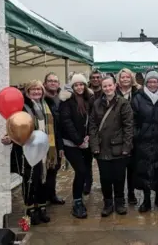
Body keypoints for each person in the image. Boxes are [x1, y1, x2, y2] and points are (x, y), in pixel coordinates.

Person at [2, 80, 62, 225]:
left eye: (39, 90)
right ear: (27, 92)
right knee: (30, 180)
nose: (36, 92)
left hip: (45, 150)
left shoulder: (47, 105)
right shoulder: (22, 107)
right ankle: (30, 210)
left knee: (43, 180)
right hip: (27, 150)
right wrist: (9, 137)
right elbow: (14, 124)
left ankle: (41, 207)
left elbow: (56, 128)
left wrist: (59, 148)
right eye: (33, 90)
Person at [89, 76, 134, 217]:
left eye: (110, 85)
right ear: (102, 88)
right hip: (102, 148)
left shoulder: (123, 103)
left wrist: (127, 147)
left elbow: (128, 127)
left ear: (115, 86)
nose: (107, 88)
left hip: (119, 148)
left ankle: (120, 202)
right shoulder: (96, 104)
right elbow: (93, 127)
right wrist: (94, 146)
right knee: (105, 178)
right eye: (105, 86)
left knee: (119, 177)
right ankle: (108, 203)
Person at [131, 71, 158, 212]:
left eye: (155, 81)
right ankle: (146, 199)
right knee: (144, 169)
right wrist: (137, 134)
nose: (152, 84)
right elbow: (133, 119)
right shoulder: (138, 98)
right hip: (143, 140)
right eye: (150, 82)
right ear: (146, 83)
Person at [58, 74, 94, 219]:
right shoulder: (66, 102)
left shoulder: (89, 100)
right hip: (71, 143)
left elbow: (92, 119)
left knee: (85, 172)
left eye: (81, 84)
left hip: (86, 143)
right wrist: (79, 140)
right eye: (76, 85)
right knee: (80, 170)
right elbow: (67, 123)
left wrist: (89, 136)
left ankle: (79, 198)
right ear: (72, 87)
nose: (79, 87)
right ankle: (77, 202)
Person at [115, 68, 141, 205]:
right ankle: (119, 195)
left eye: (127, 77)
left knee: (132, 167)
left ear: (132, 78)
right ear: (118, 79)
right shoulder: (114, 92)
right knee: (119, 167)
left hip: (134, 134)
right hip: (118, 134)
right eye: (122, 77)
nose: (125, 79)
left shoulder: (138, 92)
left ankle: (131, 193)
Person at [43, 72, 66, 205]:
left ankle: (51, 195)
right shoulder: (41, 98)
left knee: (53, 169)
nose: (52, 83)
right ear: (45, 83)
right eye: (50, 81)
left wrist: (61, 146)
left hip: (56, 140)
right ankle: (42, 197)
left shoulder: (61, 99)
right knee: (43, 171)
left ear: (58, 84)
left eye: (55, 81)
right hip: (42, 140)